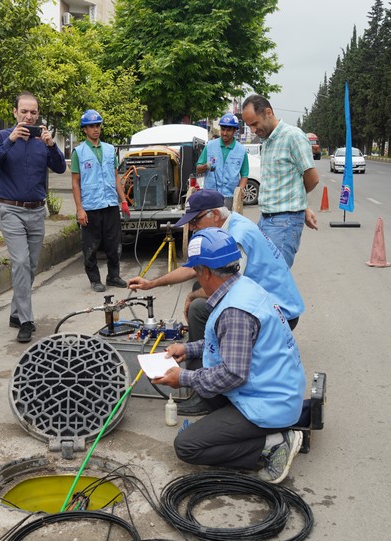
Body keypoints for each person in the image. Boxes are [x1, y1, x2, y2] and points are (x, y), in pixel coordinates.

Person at [126, 188, 304, 415]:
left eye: (195, 221)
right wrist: (152, 283)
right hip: (264, 302)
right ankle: (204, 366)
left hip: (279, 312)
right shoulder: (230, 224)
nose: (192, 227)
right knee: (198, 291)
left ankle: (204, 395)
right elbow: (194, 267)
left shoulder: (237, 236)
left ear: (215, 214)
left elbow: (225, 283)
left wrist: (192, 297)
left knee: (199, 308)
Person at [151, 227, 307, 484]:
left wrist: (183, 378)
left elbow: (233, 374)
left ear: (206, 272)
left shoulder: (235, 311)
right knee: (202, 376)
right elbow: (226, 343)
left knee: (187, 446)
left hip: (270, 404)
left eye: (196, 271)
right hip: (275, 389)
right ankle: (238, 428)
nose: (197, 277)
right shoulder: (242, 286)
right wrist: (187, 349)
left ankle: (272, 443)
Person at [0, 92, 67, 343]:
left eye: (33, 112)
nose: (29, 116)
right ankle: (26, 320)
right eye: (24, 111)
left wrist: (51, 145)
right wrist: (10, 140)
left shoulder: (42, 140)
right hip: (11, 210)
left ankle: (15, 313)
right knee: (20, 262)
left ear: (38, 113)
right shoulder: (2, 137)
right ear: (15, 112)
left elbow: (60, 167)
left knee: (30, 266)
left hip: (37, 211)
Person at [240, 94, 319, 267]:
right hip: (266, 219)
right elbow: (285, 181)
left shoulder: (293, 136)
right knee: (262, 272)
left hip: (284, 223)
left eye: (255, 124)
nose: (253, 130)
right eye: (249, 126)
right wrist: (302, 206)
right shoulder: (267, 141)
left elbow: (312, 178)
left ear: (268, 112)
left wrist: (297, 206)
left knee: (275, 276)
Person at [71, 109, 130, 292]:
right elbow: (75, 183)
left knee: (114, 243)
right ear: (85, 129)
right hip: (90, 206)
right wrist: (79, 209)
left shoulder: (110, 150)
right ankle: (94, 279)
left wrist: (123, 201)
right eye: (91, 126)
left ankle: (113, 276)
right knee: (91, 245)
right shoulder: (78, 152)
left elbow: (115, 177)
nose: (96, 129)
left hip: (110, 204)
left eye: (98, 125)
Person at [196, 112, 248, 213]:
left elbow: (244, 174)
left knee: (228, 221)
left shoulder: (241, 150)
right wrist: (206, 166)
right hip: (210, 195)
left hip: (230, 196)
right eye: (223, 129)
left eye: (228, 130)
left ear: (234, 130)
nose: (224, 133)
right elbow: (198, 169)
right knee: (210, 221)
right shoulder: (210, 146)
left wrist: (240, 189)